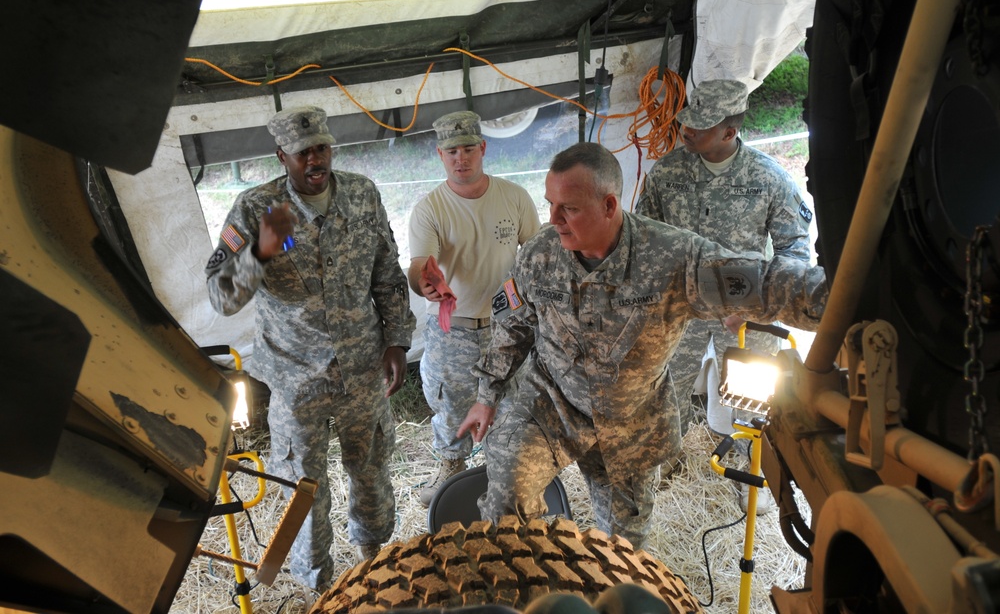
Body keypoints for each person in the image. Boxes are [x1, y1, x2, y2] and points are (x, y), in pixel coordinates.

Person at [457, 142, 826, 547]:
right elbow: (511, 327)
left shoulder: (673, 256)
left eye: (570, 208)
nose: (554, 219)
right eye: (551, 204)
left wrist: (840, 299)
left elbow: (764, 282)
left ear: (610, 205)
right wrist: (486, 395)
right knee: (505, 500)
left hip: (629, 420)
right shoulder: (540, 254)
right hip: (552, 403)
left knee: (623, 548)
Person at [204, 105, 415, 591]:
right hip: (296, 377)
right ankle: (319, 584)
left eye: (321, 148)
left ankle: (374, 561)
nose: (315, 160)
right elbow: (220, 297)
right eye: (303, 153)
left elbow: (387, 269)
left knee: (373, 470)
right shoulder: (256, 209)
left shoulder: (362, 194)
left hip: (362, 366)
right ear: (283, 156)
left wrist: (398, 339)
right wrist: (259, 251)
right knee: (304, 486)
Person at [635, 78, 812, 445]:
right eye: (687, 120)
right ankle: (665, 466)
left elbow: (794, 250)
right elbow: (643, 242)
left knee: (754, 399)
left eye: (699, 126)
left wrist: (757, 305)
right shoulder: (667, 174)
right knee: (665, 392)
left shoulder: (768, 178)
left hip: (746, 317)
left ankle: (752, 476)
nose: (686, 129)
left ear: (729, 131)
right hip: (682, 312)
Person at [407, 111, 541, 507]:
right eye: (451, 151)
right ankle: (451, 479)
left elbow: (534, 256)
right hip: (455, 330)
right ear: (440, 155)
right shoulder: (429, 209)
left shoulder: (514, 197)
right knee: (452, 406)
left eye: (468, 149)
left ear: (483, 149)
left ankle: (509, 482)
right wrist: (426, 282)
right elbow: (420, 265)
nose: (460, 158)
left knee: (514, 404)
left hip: (508, 327)